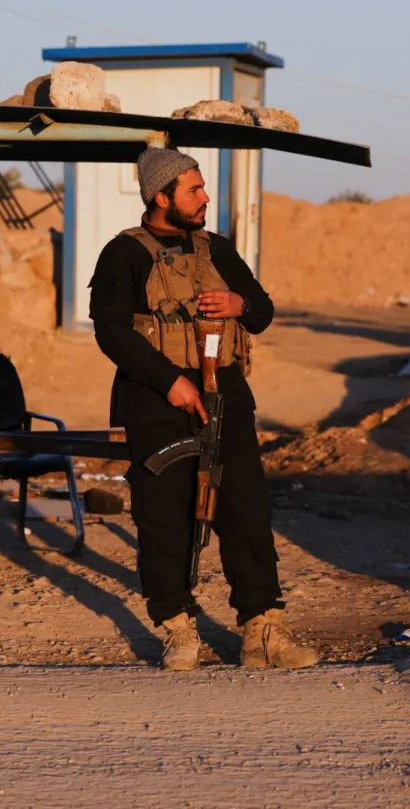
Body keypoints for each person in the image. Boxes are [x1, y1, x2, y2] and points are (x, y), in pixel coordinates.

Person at [88, 147, 318, 672]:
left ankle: (263, 631)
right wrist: (169, 380)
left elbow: (262, 312)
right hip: (156, 402)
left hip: (226, 396)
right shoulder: (123, 254)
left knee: (247, 513)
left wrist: (241, 305)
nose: (205, 197)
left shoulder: (218, 250)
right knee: (163, 519)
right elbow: (112, 331)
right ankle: (177, 627)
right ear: (161, 197)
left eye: (203, 187)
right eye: (194, 190)